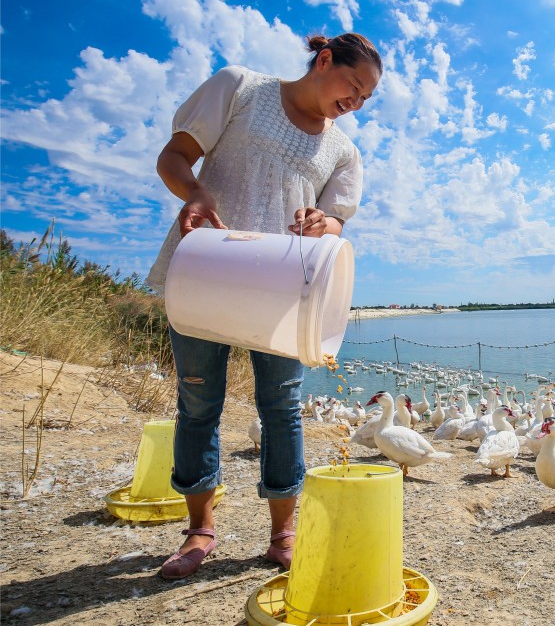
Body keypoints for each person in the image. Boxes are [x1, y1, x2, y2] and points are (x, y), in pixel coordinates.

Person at [146, 33, 382, 580]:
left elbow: (337, 220)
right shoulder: (240, 89)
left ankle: (283, 534)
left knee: (281, 408)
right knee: (198, 403)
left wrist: (326, 224)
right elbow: (175, 157)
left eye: (367, 98)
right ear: (325, 61)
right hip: (206, 269)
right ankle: (200, 531)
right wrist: (196, 195)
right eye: (354, 86)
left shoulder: (343, 151)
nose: (358, 103)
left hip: (283, 292)